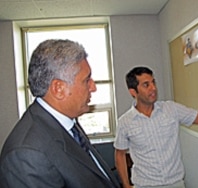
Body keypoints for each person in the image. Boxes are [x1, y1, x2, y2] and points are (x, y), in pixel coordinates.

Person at [0, 39, 121, 188]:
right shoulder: (27, 154)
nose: (93, 87)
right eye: (86, 80)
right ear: (58, 88)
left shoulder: (66, 123)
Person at [114, 66, 198, 188]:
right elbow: (120, 154)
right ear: (133, 92)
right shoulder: (125, 122)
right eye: (146, 85)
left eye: (153, 82)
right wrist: (126, 185)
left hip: (175, 184)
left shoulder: (171, 109)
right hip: (144, 185)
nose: (153, 88)